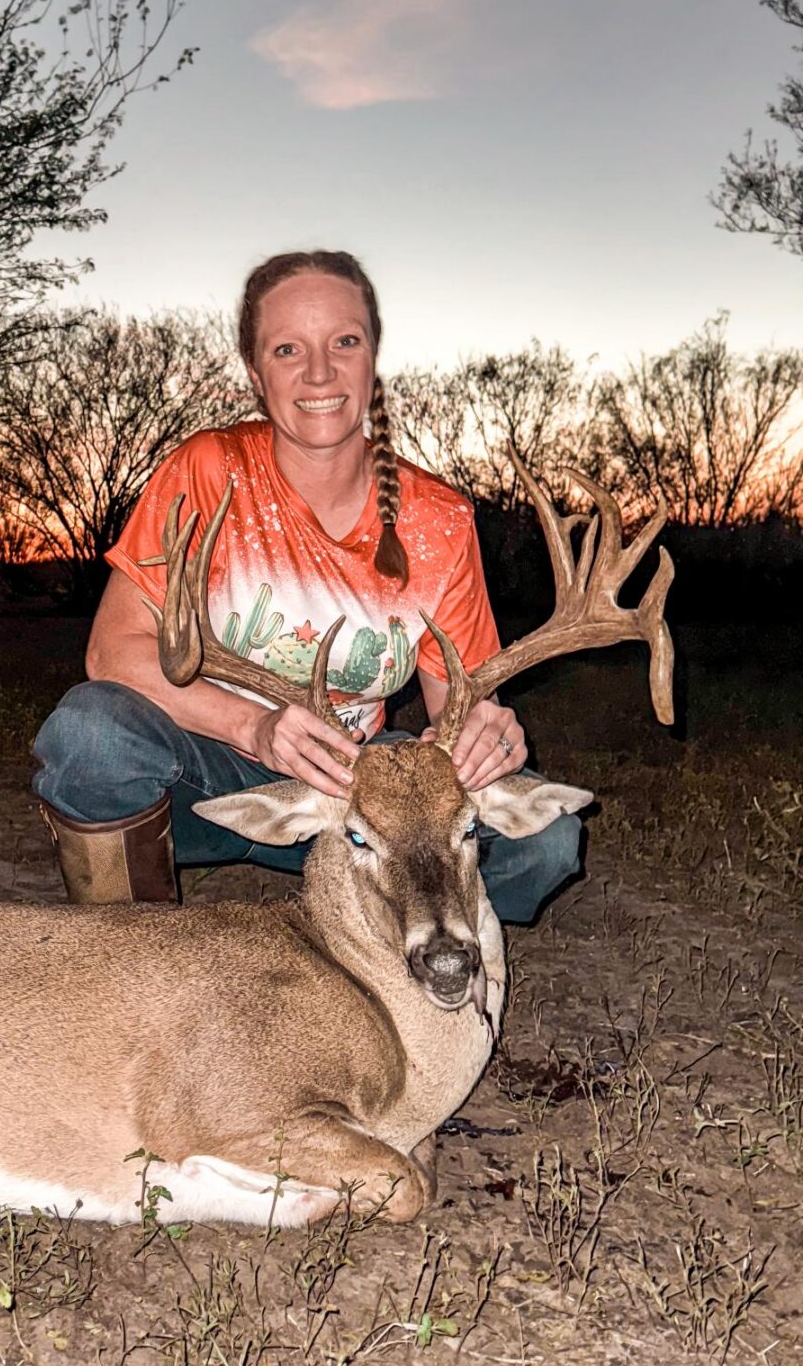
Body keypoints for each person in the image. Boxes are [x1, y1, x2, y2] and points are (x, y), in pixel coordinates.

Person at [31, 249, 583, 925]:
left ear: (372, 356)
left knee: (547, 841)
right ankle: (128, 952)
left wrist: (487, 737)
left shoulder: (437, 519)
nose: (319, 372)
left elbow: (461, 707)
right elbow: (112, 654)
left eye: (344, 342)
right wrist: (255, 728)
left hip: (357, 791)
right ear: (257, 375)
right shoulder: (209, 472)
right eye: (288, 349)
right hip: (201, 774)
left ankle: (417, 936)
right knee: (91, 735)